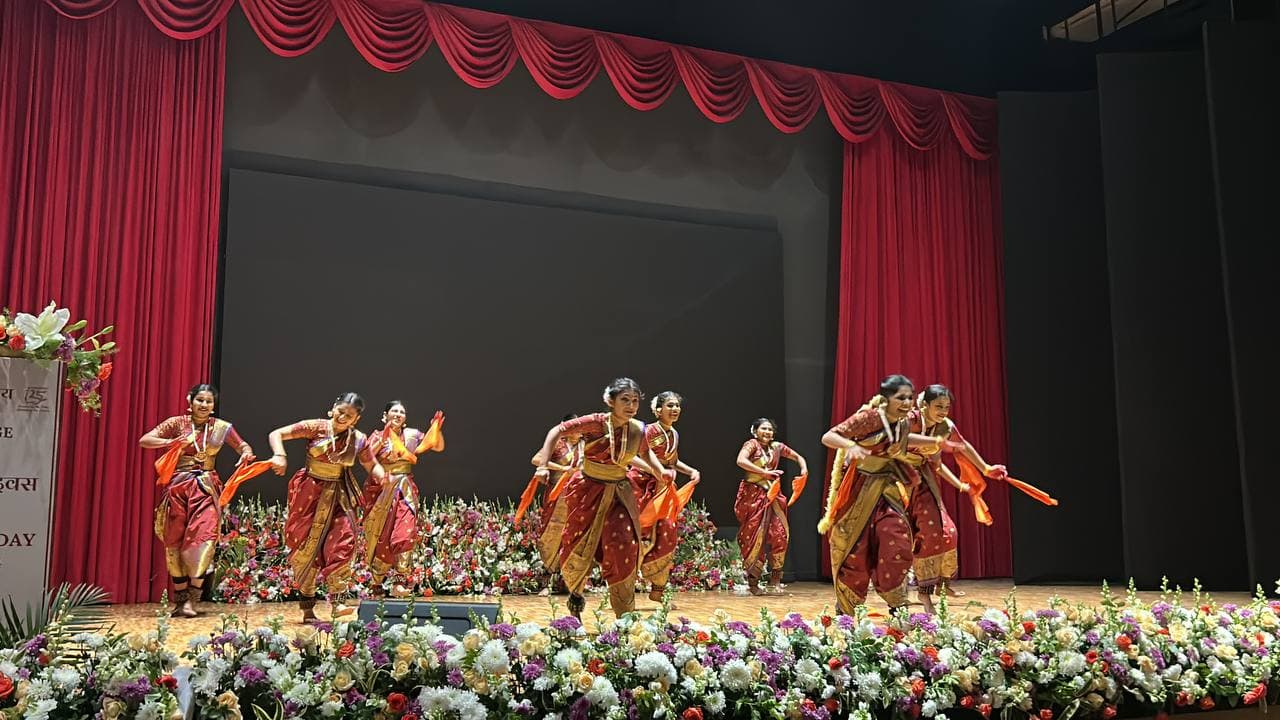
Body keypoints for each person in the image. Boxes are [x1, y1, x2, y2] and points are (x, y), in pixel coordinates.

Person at [531, 378, 672, 618]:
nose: (631, 406)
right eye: (625, 400)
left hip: (620, 493)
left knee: (624, 544)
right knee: (579, 545)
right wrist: (543, 465)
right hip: (588, 491)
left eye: (635, 401)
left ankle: (624, 616)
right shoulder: (596, 423)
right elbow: (557, 430)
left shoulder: (637, 429)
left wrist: (659, 471)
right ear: (610, 401)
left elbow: (645, 452)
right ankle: (575, 598)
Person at [819, 374, 936, 615]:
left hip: (888, 489)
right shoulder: (870, 418)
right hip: (859, 490)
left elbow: (904, 438)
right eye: (900, 398)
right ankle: (846, 611)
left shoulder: (903, 422)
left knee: (897, 540)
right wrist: (851, 445)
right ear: (886, 398)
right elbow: (829, 436)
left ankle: (897, 606)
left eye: (910, 398)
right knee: (856, 551)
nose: (907, 403)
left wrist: (935, 442)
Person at [268, 392, 386, 623]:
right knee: (305, 547)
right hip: (309, 493)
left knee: (343, 540)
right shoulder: (316, 427)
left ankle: (339, 601)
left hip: (340, 495)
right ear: (333, 408)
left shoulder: (358, 439)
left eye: (349, 416)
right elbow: (277, 433)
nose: (343, 417)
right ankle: (308, 607)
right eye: (341, 411)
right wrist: (279, 455)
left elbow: (371, 464)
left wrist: (382, 476)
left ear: (356, 419)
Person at [139, 384, 254, 618]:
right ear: (190, 401)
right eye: (200, 400)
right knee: (174, 541)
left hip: (206, 489)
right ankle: (180, 600)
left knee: (203, 540)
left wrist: (245, 453)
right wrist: (172, 443)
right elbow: (145, 440)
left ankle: (192, 600)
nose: (204, 404)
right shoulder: (176, 423)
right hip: (178, 488)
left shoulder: (221, 427)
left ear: (213, 406)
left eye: (209, 401)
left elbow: (242, 445)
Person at [362, 401, 444, 598]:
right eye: (394, 411)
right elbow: (367, 456)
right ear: (385, 416)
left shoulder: (412, 435)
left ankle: (399, 582)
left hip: (405, 490)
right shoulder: (376, 436)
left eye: (402, 412)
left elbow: (437, 446)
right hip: (382, 490)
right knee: (381, 536)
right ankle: (376, 582)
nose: (398, 414)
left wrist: (436, 429)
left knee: (404, 534)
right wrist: (385, 435)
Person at [903, 385, 973, 613]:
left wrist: (961, 484)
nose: (943, 411)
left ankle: (936, 587)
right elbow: (895, 440)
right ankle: (910, 595)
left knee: (945, 531)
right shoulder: (910, 420)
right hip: (896, 480)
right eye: (939, 406)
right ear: (925, 405)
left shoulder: (943, 427)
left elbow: (941, 462)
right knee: (898, 538)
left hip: (923, 482)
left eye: (947, 407)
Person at [629, 391, 700, 603]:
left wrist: (691, 471)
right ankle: (625, 589)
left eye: (677, 405)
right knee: (638, 535)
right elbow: (631, 457)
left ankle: (657, 589)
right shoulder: (649, 431)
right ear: (658, 410)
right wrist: (655, 471)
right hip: (641, 486)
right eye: (670, 405)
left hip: (663, 488)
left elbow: (672, 461)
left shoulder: (674, 434)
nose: (675, 409)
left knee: (666, 534)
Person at [734, 417, 807, 595]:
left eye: (770, 429)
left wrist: (804, 469)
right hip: (753, 496)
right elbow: (741, 460)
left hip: (773, 497)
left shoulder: (776, 447)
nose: (767, 432)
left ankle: (775, 580)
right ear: (755, 431)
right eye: (763, 429)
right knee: (754, 537)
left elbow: (798, 457)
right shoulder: (751, 445)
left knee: (780, 534)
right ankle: (753, 583)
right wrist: (764, 473)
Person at [531, 414, 583, 580]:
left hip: (578, 495)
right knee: (551, 531)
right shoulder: (557, 443)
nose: (578, 431)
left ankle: (570, 576)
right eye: (574, 427)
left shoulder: (584, 445)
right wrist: (563, 469)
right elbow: (536, 459)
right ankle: (549, 572)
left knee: (575, 532)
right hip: (557, 494)